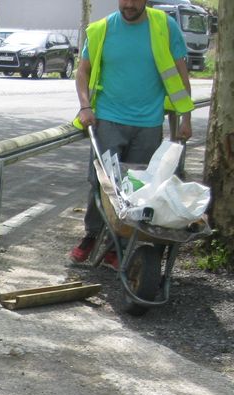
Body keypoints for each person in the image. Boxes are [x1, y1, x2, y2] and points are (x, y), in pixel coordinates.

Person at [70, 0, 194, 270]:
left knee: (137, 188)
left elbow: (179, 73)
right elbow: (83, 71)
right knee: (101, 183)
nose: (128, 4)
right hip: (108, 119)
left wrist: (186, 117)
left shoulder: (164, 25)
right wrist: (85, 106)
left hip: (149, 122)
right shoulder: (101, 29)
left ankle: (119, 245)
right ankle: (92, 235)